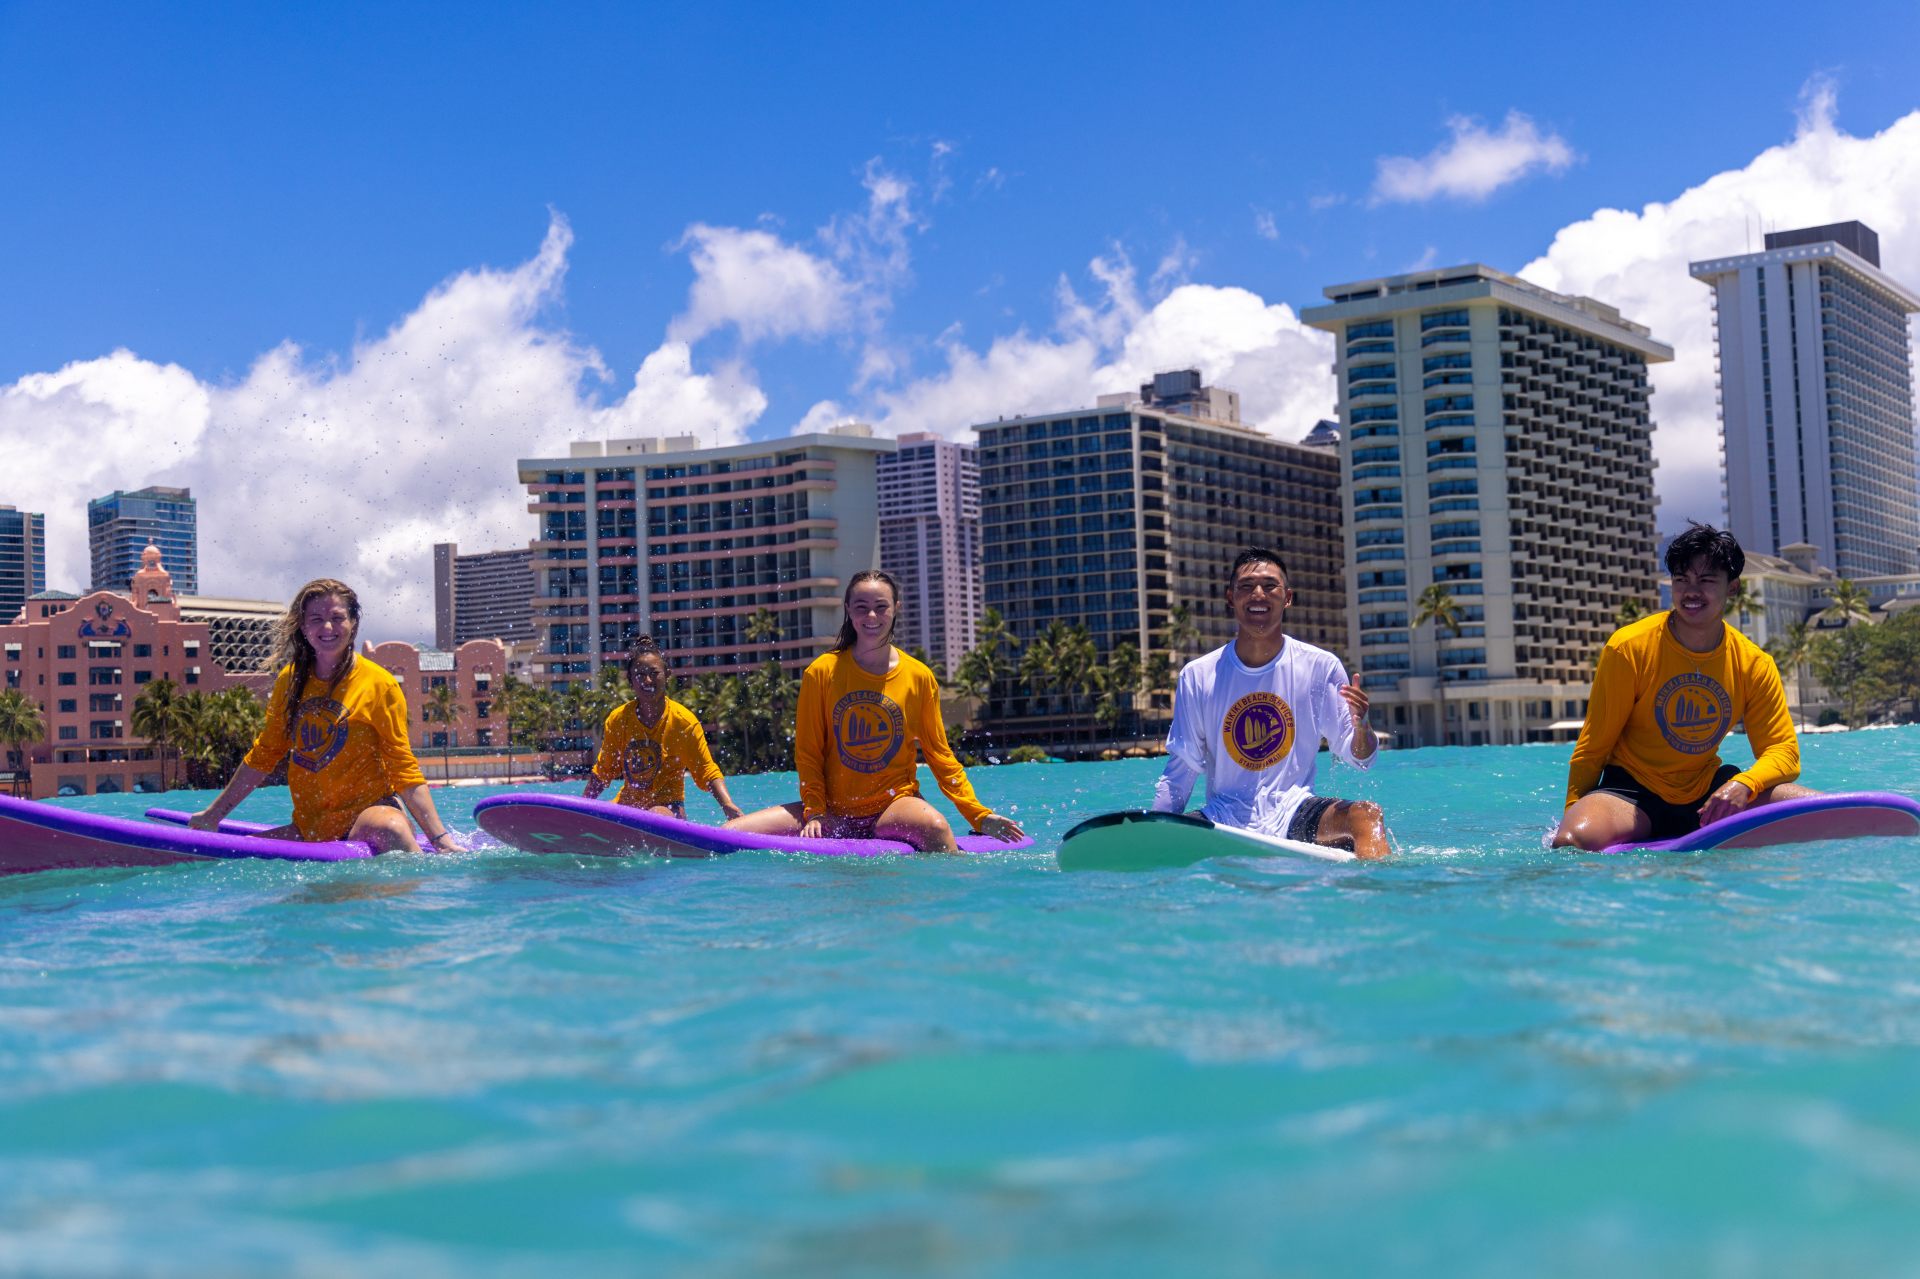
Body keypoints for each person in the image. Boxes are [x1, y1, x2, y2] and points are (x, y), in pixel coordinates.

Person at [1553, 523, 1814, 851]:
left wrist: (1745, 784)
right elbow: (1593, 749)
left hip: (1710, 797)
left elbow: (1784, 753)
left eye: (1705, 580)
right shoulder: (1629, 648)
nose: (1691, 591)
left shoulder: (1753, 663)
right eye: (1681, 580)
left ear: (1732, 588)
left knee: (1827, 809)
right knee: (1572, 842)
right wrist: (1572, 810)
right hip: (1632, 796)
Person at [727, 569, 1025, 851]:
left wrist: (978, 816)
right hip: (832, 812)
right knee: (729, 835)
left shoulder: (918, 677)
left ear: (896, 608)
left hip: (893, 808)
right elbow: (808, 753)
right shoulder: (821, 672)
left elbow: (940, 755)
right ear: (848, 609)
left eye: (881, 607)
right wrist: (816, 812)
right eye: (861, 607)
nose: (871, 616)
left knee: (935, 828)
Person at [190, 579, 464, 853]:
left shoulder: (380, 685)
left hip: (370, 816)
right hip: (311, 830)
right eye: (317, 619)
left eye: (337, 618)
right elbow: (265, 755)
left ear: (354, 623)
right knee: (236, 854)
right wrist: (213, 816)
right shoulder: (290, 681)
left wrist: (441, 841)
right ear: (303, 625)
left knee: (388, 828)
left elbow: (403, 769)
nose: (328, 628)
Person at [1152, 547, 1389, 859]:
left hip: (1293, 811)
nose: (1258, 595)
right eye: (1246, 587)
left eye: (1270, 586)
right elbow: (1181, 771)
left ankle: (1383, 889)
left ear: (1287, 597)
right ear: (1230, 597)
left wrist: (1362, 726)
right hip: (1223, 819)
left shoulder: (1320, 666)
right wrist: (1152, 830)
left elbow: (1361, 758)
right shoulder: (1198, 676)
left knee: (1366, 815)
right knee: (1167, 832)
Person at [582, 637, 744, 821]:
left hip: (668, 809)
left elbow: (707, 770)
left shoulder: (683, 722)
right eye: (640, 674)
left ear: (667, 675)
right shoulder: (618, 720)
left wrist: (727, 804)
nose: (647, 680)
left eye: (654, 673)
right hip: (627, 806)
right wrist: (581, 809)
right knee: (599, 817)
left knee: (653, 817)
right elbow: (603, 771)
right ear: (630, 680)